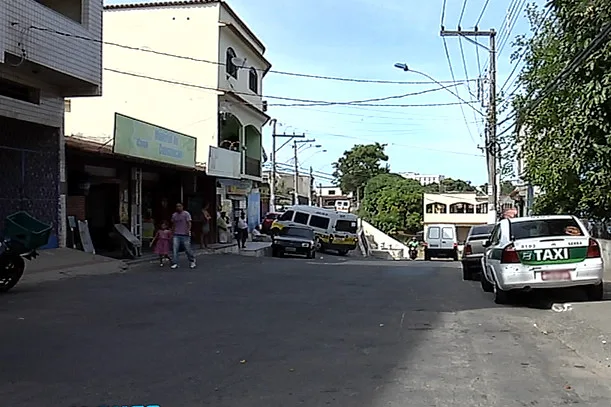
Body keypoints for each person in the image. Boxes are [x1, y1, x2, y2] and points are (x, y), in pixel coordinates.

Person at [170, 203, 196, 269]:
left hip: (185, 234)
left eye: (179, 206)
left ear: (182, 207)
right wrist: (172, 233)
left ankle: (192, 261)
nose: (178, 207)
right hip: (176, 234)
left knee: (187, 249)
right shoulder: (174, 215)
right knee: (175, 249)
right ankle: (175, 263)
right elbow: (173, 224)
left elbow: (189, 223)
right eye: (177, 206)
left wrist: (188, 230)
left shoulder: (186, 214)